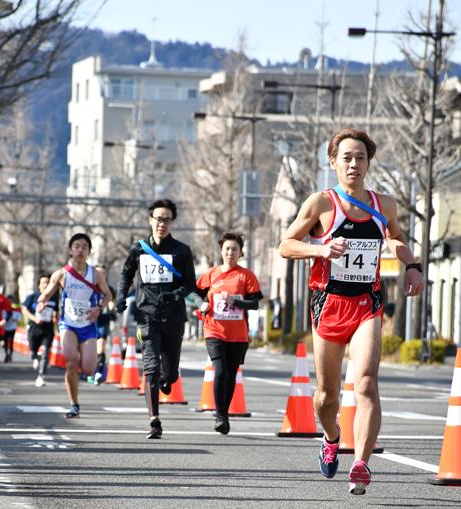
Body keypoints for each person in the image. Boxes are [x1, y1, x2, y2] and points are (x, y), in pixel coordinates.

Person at [279, 127, 425, 495]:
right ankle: (331, 437)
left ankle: (360, 463)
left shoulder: (384, 204)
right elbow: (286, 245)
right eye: (346, 157)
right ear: (333, 163)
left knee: (365, 383)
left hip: (367, 304)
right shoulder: (320, 203)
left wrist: (411, 265)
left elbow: (395, 237)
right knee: (327, 396)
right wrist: (319, 250)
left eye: (360, 157)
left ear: (368, 162)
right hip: (329, 304)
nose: (354, 164)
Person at [116, 199, 197, 439]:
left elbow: (190, 283)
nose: (162, 223)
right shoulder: (138, 249)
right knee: (150, 366)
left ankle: (167, 377)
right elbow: (125, 274)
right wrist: (121, 297)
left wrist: (176, 294)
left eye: (167, 219)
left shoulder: (182, 250)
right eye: (158, 219)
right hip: (147, 313)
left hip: (173, 316)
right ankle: (154, 421)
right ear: (150, 220)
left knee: (170, 372)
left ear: (172, 222)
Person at [37, 233, 112, 417]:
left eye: (84, 247)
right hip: (68, 324)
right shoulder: (61, 273)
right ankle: (74, 404)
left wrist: (98, 308)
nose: (80, 250)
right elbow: (46, 293)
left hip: (87, 325)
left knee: (87, 368)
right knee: (71, 360)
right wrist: (42, 302)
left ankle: (96, 371)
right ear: (70, 250)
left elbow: (108, 295)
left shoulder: (96, 274)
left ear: (89, 252)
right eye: (77, 246)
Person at [196, 232, 263, 434]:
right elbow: (196, 295)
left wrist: (237, 301)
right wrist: (203, 305)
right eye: (227, 248)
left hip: (238, 334)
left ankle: (223, 414)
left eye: (234, 249)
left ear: (241, 252)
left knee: (231, 375)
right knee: (221, 371)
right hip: (214, 329)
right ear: (221, 251)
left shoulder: (246, 276)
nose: (230, 252)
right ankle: (220, 415)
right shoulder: (211, 274)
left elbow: (255, 303)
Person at [22, 274, 59, 387]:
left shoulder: (54, 297)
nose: (46, 285)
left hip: (48, 328)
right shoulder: (32, 297)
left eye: (48, 282)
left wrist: (56, 324)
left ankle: (40, 376)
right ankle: (35, 357)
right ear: (39, 285)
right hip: (34, 328)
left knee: (46, 352)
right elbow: (24, 310)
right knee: (33, 351)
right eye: (44, 282)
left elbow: (56, 313)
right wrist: (34, 318)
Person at [87, 265, 116, 385]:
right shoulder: (88, 287)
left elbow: (111, 303)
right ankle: (90, 372)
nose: (101, 276)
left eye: (103, 273)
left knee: (101, 347)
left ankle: (98, 373)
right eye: (98, 273)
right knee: (90, 349)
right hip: (89, 322)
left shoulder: (109, 289)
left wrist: (111, 308)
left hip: (103, 321)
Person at [3, 294, 22, 363]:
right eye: (8, 300)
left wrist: (15, 319)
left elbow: (19, 318)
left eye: (10, 300)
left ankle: (10, 355)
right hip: (5, 328)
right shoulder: (3, 308)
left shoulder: (16, 309)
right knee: (5, 342)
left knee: (11, 341)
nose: (9, 302)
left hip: (12, 328)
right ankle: (6, 355)